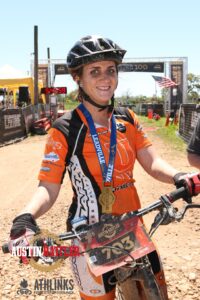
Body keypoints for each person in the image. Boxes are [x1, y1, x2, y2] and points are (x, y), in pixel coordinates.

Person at [8, 35, 189, 300]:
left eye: (110, 70)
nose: (105, 78)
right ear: (77, 78)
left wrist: (179, 175)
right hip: (89, 237)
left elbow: (152, 161)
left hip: (132, 229)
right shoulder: (65, 130)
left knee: (157, 294)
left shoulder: (127, 118)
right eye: (94, 71)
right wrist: (25, 217)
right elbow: (48, 186)